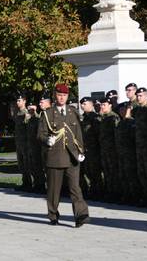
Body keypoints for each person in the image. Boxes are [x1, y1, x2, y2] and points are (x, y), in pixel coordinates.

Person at [37, 84, 89, 227]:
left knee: (75, 188)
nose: (62, 98)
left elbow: (78, 134)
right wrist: (47, 140)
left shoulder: (73, 112)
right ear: (55, 95)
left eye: (64, 95)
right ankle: (53, 215)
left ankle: (81, 215)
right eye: (59, 95)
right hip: (55, 156)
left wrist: (81, 151)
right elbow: (40, 135)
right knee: (54, 190)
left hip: (72, 156)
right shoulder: (47, 114)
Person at [79, 97, 103, 199]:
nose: (82, 106)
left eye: (85, 104)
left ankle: (99, 191)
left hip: (94, 149)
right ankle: (91, 190)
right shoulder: (82, 118)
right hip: (85, 149)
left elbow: (99, 135)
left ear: (91, 104)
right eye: (81, 104)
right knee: (87, 170)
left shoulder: (95, 118)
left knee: (95, 171)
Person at [13, 94, 32, 191]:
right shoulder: (17, 113)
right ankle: (25, 182)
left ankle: (29, 183)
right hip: (19, 142)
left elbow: (28, 128)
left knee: (26, 163)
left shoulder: (26, 113)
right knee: (21, 163)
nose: (17, 102)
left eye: (19, 100)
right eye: (17, 101)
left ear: (24, 101)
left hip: (25, 143)